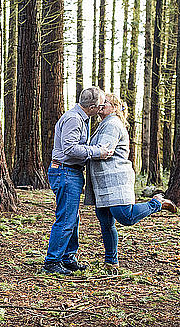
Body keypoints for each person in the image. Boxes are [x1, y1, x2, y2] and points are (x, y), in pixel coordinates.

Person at [84, 93, 177, 274]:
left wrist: (77, 152)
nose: (101, 105)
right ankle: (111, 262)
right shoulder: (103, 124)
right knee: (105, 222)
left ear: (115, 107)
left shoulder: (112, 124)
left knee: (125, 216)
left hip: (115, 178)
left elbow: (103, 150)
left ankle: (157, 202)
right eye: (101, 103)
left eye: (106, 103)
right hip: (101, 180)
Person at [42, 87, 114, 276]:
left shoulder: (82, 118)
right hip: (65, 172)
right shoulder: (74, 119)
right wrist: (98, 152)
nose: (101, 109)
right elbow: (70, 149)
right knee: (66, 218)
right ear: (91, 106)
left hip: (71, 172)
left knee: (72, 218)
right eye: (99, 106)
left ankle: (68, 257)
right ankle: (52, 261)